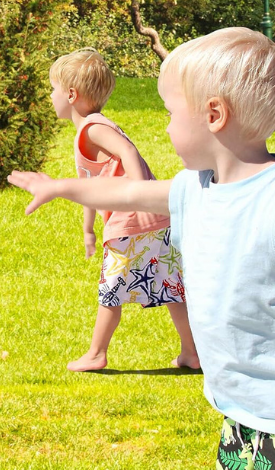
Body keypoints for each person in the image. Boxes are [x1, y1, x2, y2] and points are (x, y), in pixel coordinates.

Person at [10, 28, 275, 470]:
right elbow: (127, 195)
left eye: (169, 114)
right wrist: (61, 187)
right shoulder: (197, 187)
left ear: (213, 115)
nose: (163, 128)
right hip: (239, 402)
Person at [48, 48, 198, 372]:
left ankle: (96, 354)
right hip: (152, 217)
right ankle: (192, 353)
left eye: (53, 89)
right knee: (170, 285)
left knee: (111, 290)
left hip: (133, 219)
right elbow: (90, 188)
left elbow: (129, 152)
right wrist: (88, 229)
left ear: (71, 94)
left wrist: (140, 194)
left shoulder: (93, 128)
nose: (51, 96)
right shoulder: (90, 130)